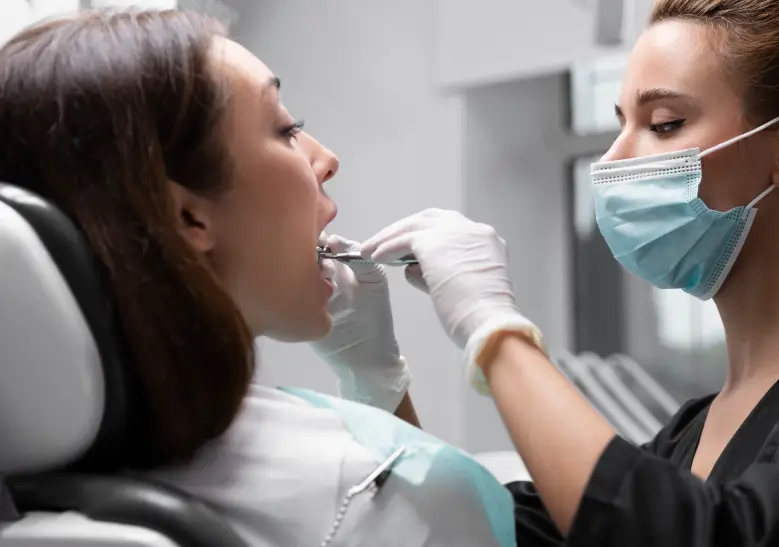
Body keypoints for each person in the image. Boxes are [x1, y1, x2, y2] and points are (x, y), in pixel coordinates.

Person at [354, 0, 779, 545]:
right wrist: (374, 373)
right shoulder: (687, 437)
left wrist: (491, 326)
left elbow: (695, 532)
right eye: (621, 124)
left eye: (664, 123)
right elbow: (471, 530)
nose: (613, 160)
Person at [0, 9, 513, 547]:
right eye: (286, 129)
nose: (327, 158)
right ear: (188, 218)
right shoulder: (382, 497)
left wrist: (376, 385)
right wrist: (497, 331)